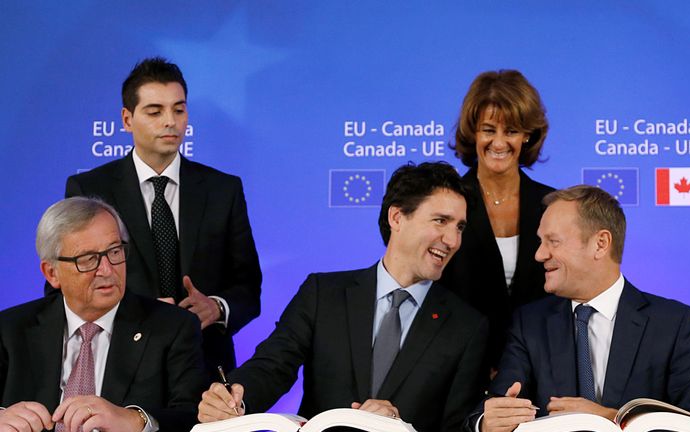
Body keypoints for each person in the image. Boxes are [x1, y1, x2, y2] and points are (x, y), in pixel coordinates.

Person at [198, 162, 489, 432]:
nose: (452, 240)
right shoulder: (323, 294)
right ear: (397, 217)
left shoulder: (467, 327)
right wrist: (234, 398)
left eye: (459, 227)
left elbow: (457, 426)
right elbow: (272, 366)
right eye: (441, 221)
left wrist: (398, 426)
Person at [62, 57, 262, 376]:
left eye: (179, 110)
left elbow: (248, 287)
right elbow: (68, 287)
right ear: (127, 119)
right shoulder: (89, 189)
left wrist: (217, 307)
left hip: (204, 369)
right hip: (119, 368)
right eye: (155, 111)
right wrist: (136, 311)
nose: (170, 121)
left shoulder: (223, 189)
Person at [470, 186, 690, 432]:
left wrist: (610, 417)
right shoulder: (530, 323)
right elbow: (494, 407)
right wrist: (486, 422)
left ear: (600, 244)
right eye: (540, 242)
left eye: (553, 241)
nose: (539, 254)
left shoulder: (674, 324)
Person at [0, 197, 207, 432]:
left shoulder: (173, 328)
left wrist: (136, 420)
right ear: (52, 273)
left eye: (114, 251)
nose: (107, 270)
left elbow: (194, 417)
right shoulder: (10, 330)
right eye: (88, 259)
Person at [440, 70, 554, 368]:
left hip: (538, 369)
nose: (499, 143)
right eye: (489, 130)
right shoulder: (447, 203)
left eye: (512, 131)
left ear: (527, 135)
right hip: (459, 369)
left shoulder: (553, 206)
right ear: (473, 133)